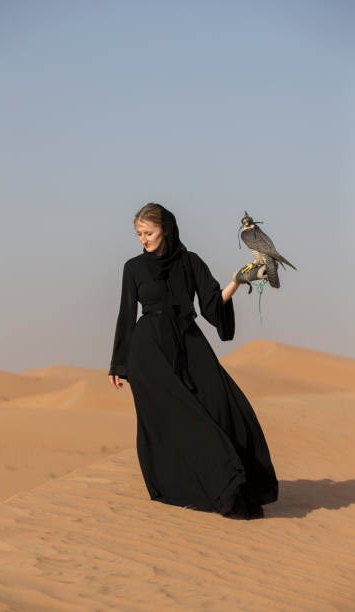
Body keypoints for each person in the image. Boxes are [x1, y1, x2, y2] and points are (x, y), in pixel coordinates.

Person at [108, 202, 278, 519]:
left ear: (166, 229)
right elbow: (126, 314)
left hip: (189, 341)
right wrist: (119, 364)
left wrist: (238, 281)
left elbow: (212, 305)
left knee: (227, 405)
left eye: (149, 232)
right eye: (139, 234)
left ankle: (239, 481)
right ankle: (217, 485)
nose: (143, 239)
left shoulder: (190, 262)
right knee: (187, 420)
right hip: (149, 352)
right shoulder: (134, 268)